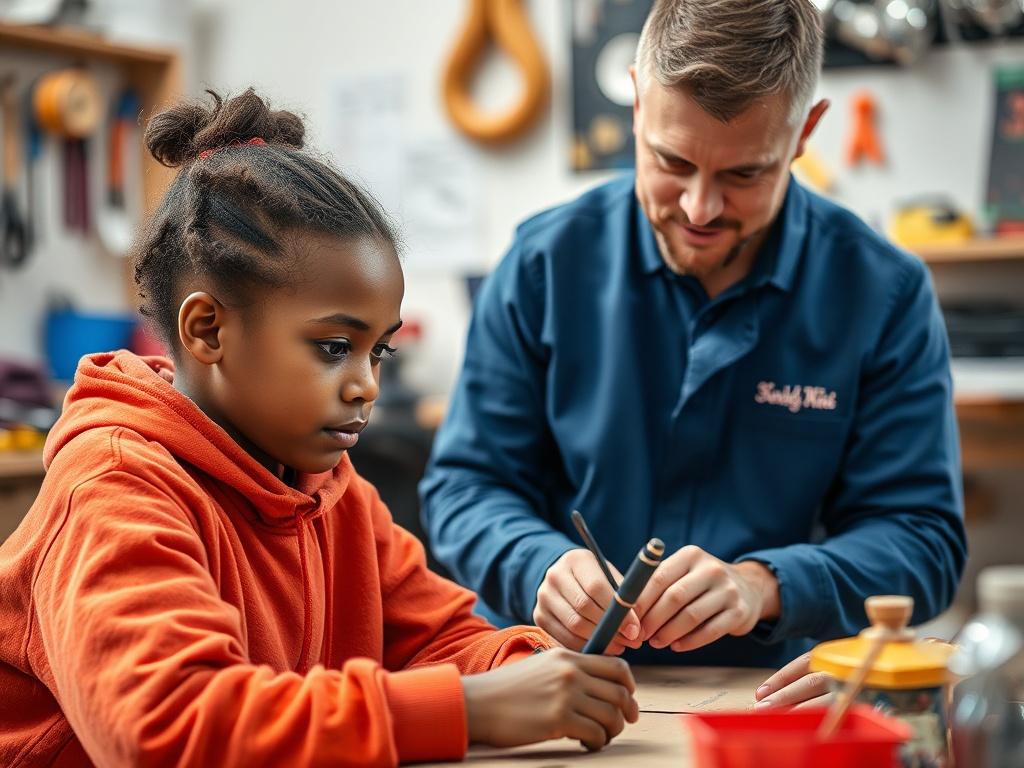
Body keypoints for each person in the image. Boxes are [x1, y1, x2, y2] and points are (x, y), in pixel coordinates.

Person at [0, 89, 640, 767]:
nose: (367, 383)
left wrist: (536, 668)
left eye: (379, 351)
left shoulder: (329, 488)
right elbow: (171, 728)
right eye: (335, 347)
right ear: (207, 330)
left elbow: (439, 638)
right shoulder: (115, 490)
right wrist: (472, 707)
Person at [420, 0, 967, 707]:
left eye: (744, 174)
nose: (700, 209)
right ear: (638, 102)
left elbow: (922, 538)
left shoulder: (882, 293)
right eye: (671, 162)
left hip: (761, 695)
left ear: (805, 132)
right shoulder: (543, 264)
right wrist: (539, 564)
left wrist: (765, 585)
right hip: (549, 685)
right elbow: (463, 487)